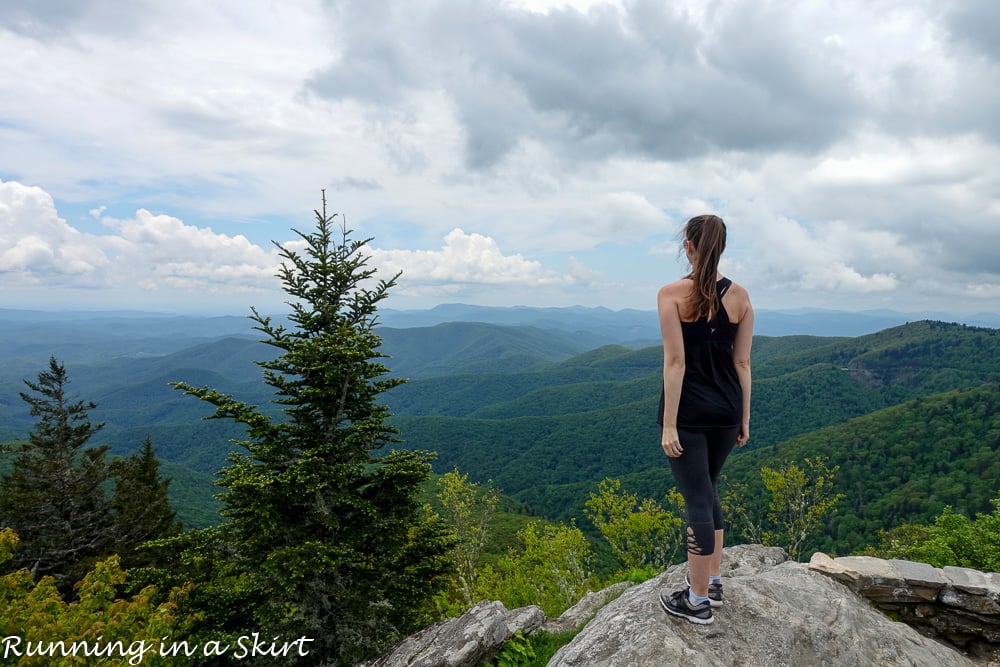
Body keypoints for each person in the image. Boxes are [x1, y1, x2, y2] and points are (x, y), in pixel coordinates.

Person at [656, 214, 753, 625]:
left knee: (696, 497)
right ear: (724, 247)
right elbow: (743, 362)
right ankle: (712, 581)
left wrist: (669, 424)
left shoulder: (671, 295)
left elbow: (676, 362)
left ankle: (696, 603)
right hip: (728, 411)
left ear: (689, 247)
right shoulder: (741, 297)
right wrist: (745, 417)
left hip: (690, 415)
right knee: (709, 489)